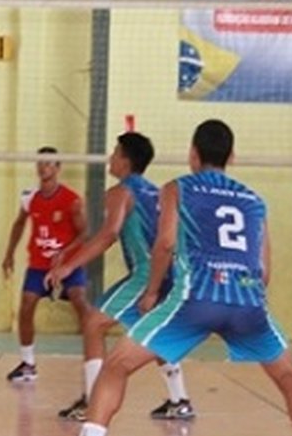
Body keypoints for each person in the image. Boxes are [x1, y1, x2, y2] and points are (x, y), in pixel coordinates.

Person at [32, 120, 292, 436]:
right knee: (289, 375)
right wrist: (244, 305)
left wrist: (151, 292)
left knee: (117, 363)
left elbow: (164, 244)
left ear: (193, 155)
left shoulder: (176, 188)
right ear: (233, 157)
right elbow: (264, 269)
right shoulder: (255, 201)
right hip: (249, 300)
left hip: (196, 298)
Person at [46, 132, 194, 421]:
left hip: (146, 272)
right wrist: (68, 250)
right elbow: (97, 231)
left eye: (115, 152)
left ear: (125, 160)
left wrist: (67, 266)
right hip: (171, 272)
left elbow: (108, 234)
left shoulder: (120, 192)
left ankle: (92, 401)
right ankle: (180, 400)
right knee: (156, 334)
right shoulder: (155, 191)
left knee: (92, 322)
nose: (110, 158)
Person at [1, 146, 92, 383]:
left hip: (67, 266)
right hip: (39, 266)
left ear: (58, 168)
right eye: (40, 163)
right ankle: (28, 363)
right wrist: (9, 253)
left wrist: (65, 253)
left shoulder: (72, 200)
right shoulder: (29, 197)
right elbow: (19, 224)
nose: (44, 167)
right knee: (26, 307)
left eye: (49, 163)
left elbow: (85, 234)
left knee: (82, 305)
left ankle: (93, 360)